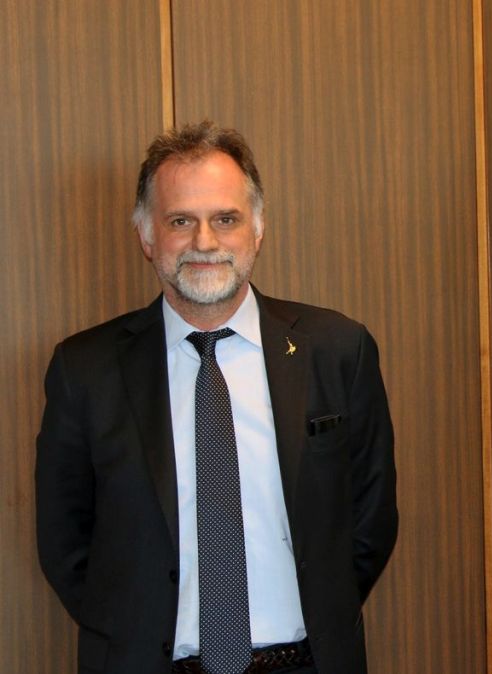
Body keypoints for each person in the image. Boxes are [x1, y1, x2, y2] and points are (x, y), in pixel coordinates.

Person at [36, 121, 398, 674]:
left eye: (225, 219)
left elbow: (370, 520)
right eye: (180, 221)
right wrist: (131, 633)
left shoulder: (337, 350)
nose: (205, 242)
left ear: (257, 230)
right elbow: (65, 541)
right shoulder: (84, 370)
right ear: (147, 237)